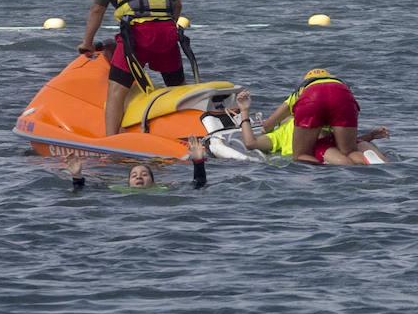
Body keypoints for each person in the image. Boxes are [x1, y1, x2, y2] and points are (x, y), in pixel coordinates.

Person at [78, 0, 185, 136]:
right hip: (169, 34)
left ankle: (111, 141)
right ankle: (184, 132)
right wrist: (166, 26)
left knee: (116, 91)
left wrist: (87, 42)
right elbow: (177, 5)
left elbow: (97, 9)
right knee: (178, 88)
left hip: (136, 38)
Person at [235, 87, 389, 165]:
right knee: (357, 151)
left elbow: (250, 143)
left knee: (346, 163)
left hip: (320, 147)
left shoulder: (280, 134)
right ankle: (372, 160)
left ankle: (365, 160)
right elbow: (345, 140)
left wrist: (244, 111)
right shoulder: (310, 114)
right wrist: (370, 136)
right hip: (333, 140)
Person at [65, 151, 207, 190]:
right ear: (128, 183)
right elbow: (83, 189)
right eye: (134, 175)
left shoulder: (163, 189)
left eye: (144, 174)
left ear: (153, 182)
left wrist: (198, 162)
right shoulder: (117, 189)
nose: (139, 177)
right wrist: (77, 176)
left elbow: (198, 184)